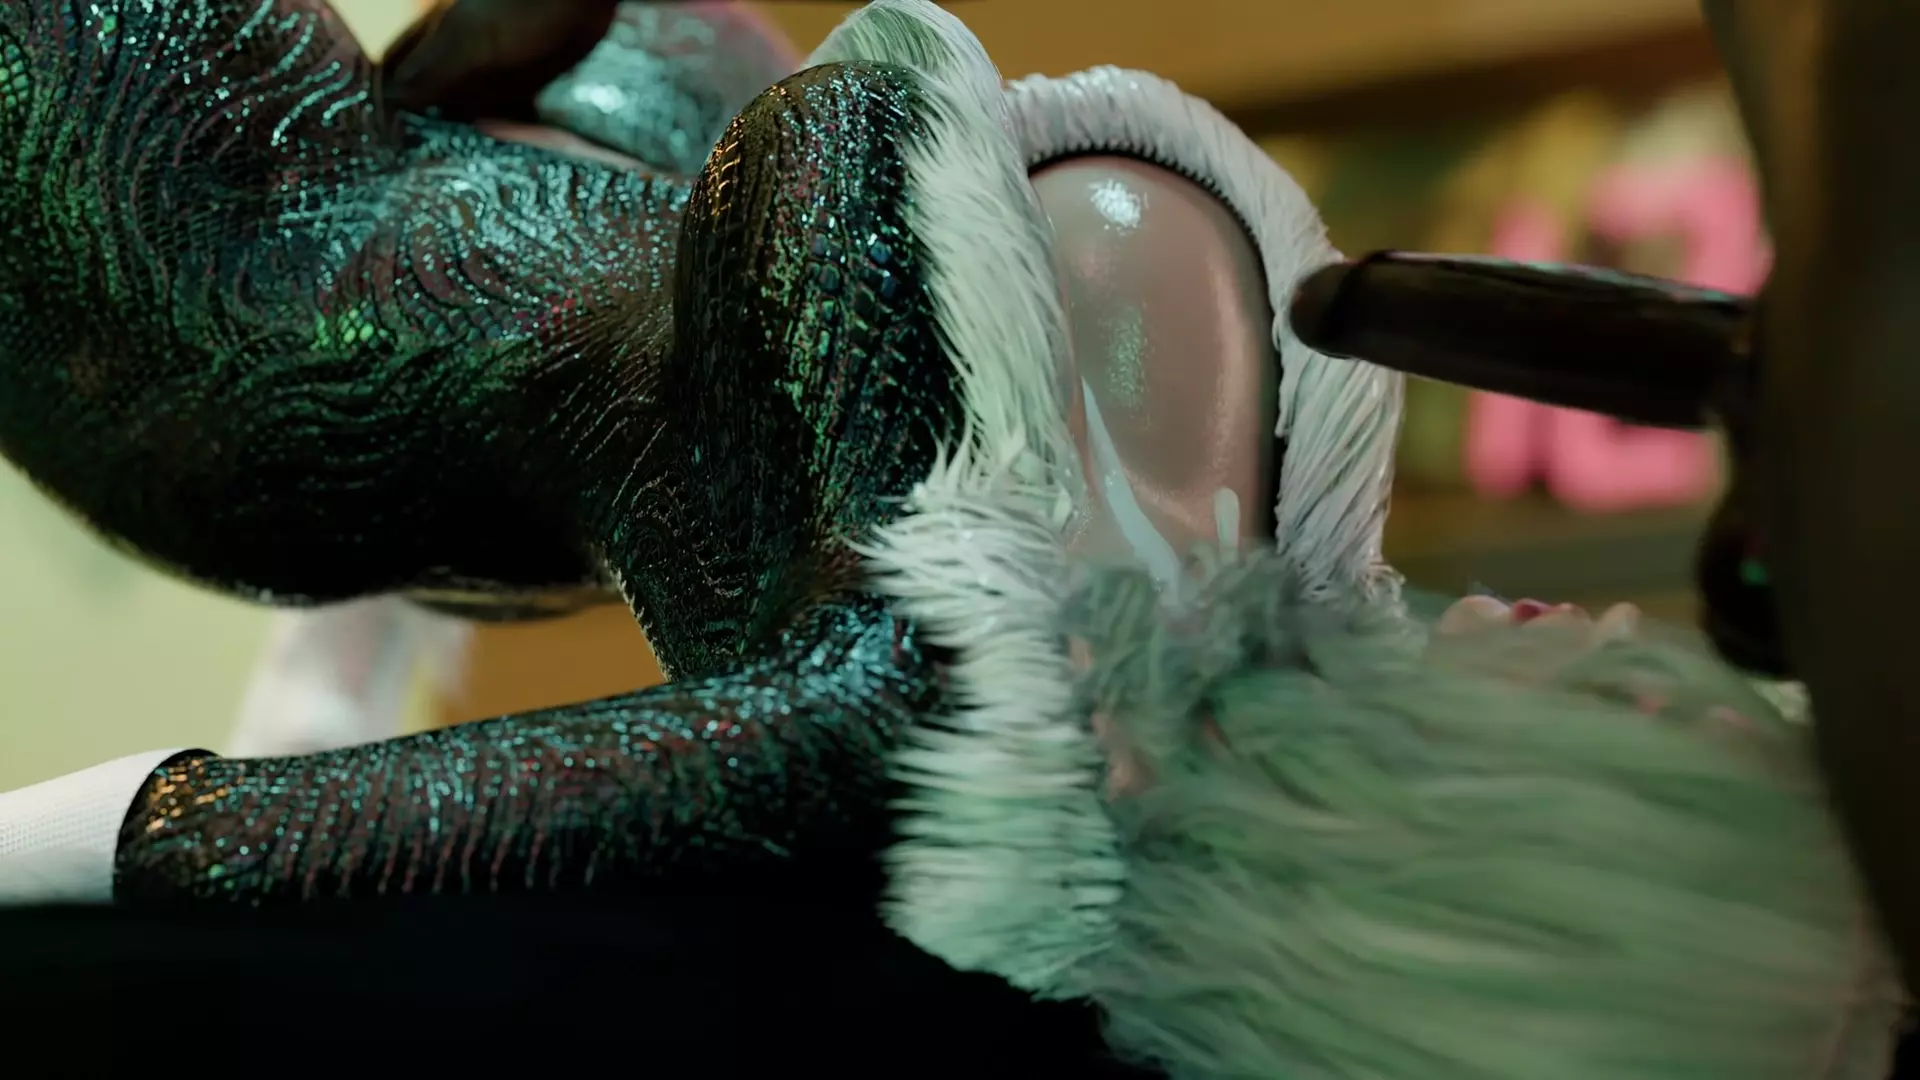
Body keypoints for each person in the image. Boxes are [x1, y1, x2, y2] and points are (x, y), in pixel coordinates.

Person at [0, 2, 1897, 1076]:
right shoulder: (1233, 553)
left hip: (239, 326)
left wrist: (109, 832)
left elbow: (825, 714)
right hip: (457, 211)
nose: (1629, 639)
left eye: (1645, 718)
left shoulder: (967, 729)